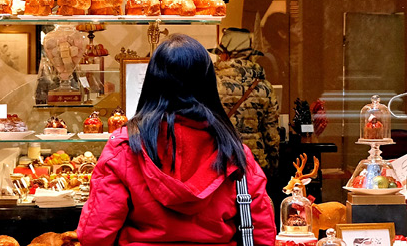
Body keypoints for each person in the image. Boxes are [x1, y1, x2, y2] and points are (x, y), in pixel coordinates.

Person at [78, 34, 276, 246]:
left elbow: (94, 235)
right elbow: (262, 234)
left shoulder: (125, 148)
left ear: (152, 82)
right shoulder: (234, 152)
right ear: (208, 83)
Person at [213, 28, 281, 174]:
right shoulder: (264, 86)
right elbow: (271, 134)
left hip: (220, 160)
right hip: (254, 163)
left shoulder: (211, 83)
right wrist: (273, 163)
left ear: (225, 54)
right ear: (250, 54)